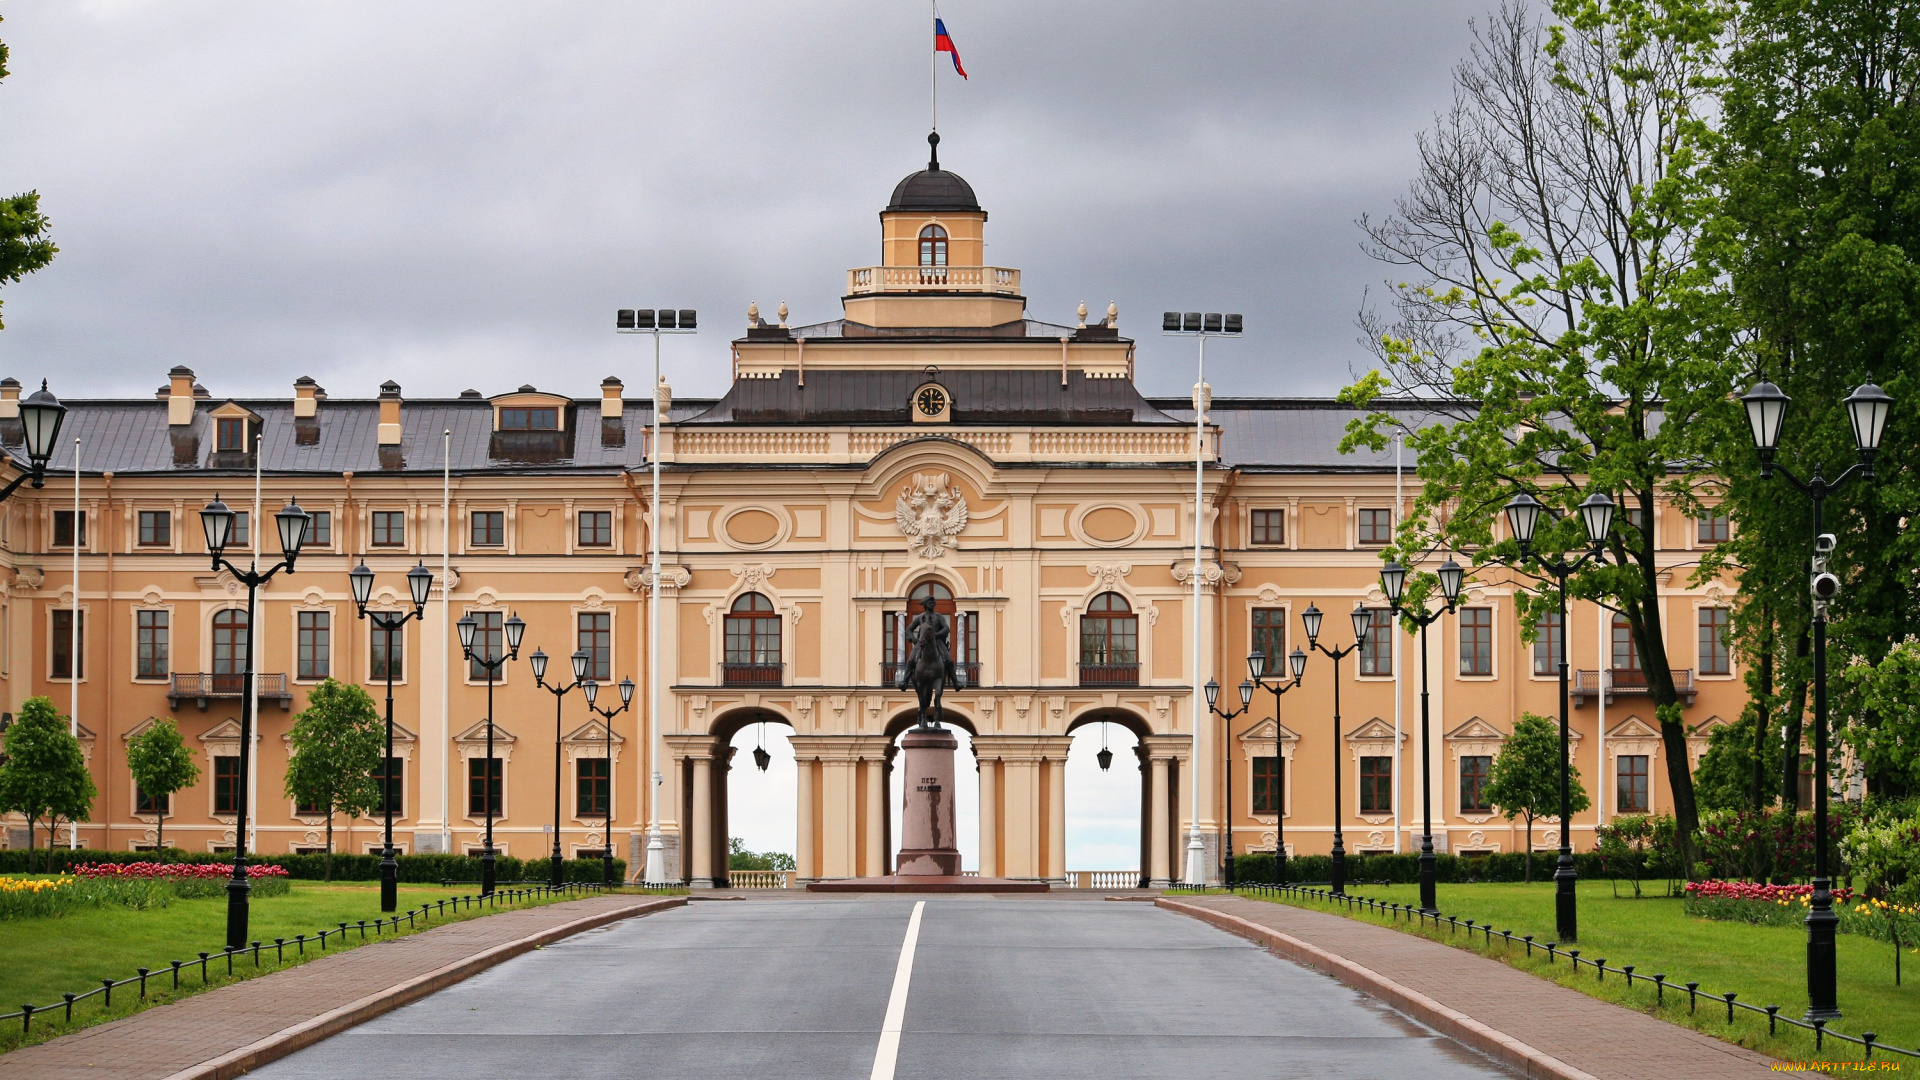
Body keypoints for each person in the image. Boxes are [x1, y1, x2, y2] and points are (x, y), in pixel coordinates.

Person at [898, 595, 963, 690]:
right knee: (911, 660)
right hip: (922, 642)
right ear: (925, 604)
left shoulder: (939, 617)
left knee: (949, 660)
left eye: (933, 603)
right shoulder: (920, 617)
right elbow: (908, 629)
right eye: (930, 603)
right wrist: (914, 640)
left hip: (937, 641)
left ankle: (956, 682)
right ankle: (904, 681)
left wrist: (937, 634)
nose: (932, 604)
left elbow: (946, 628)